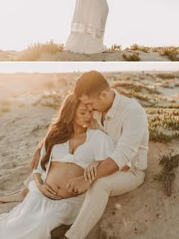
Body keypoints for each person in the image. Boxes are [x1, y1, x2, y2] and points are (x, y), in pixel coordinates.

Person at [0, 93, 115, 239]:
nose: (88, 116)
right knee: (11, 227)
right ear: (70, 113)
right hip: (40, 194)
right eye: (82, 112)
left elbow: (116, 164)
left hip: (69, 202)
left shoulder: (99, 138)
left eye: (90, 111)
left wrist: (97, 163)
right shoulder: (55, 136)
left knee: (40, 225)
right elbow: (38, 169)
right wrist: (40, 186)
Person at [62, 70, 149, 239]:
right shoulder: (96, 109)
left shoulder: (133, 113)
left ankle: (72, 236)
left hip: (130, 171)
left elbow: (122, 156)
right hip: (101, 163)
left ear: (103, 94)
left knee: (99, 183)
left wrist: (87, 178)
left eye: (89, 103)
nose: (88, 108)